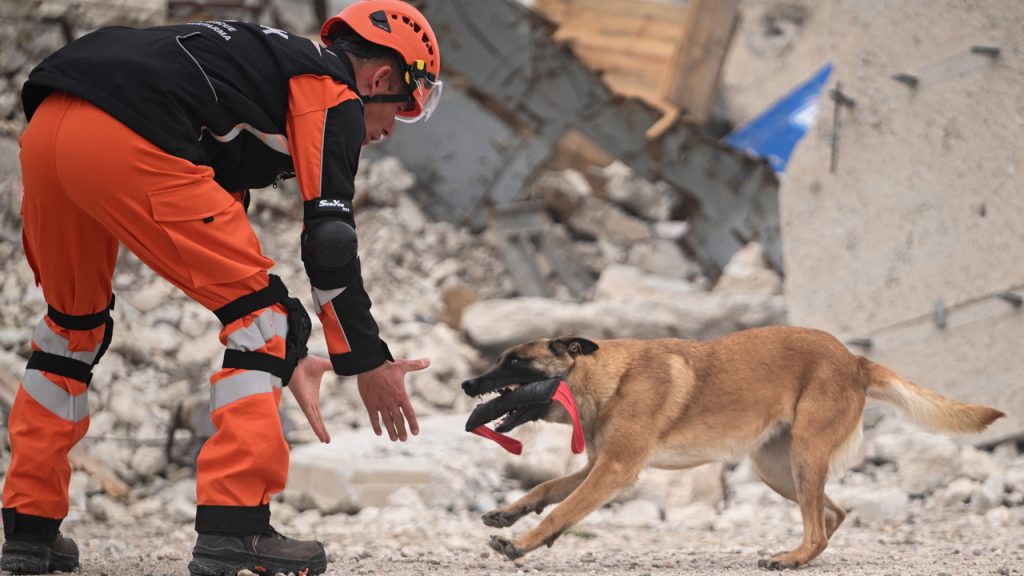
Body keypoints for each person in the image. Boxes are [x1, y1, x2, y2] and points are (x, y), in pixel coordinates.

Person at [0, 1, 441, 574]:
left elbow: (214, 194)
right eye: (403, 108)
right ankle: (236, 531)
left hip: (50, 129)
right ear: (380, 78)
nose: (388, 130)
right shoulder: (334, 91)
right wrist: (363, 359)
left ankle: (30, 530)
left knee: (70, 330)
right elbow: (330, 243)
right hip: (130, 136)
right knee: (269, 324)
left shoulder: (264, 64)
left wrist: (291, 356)